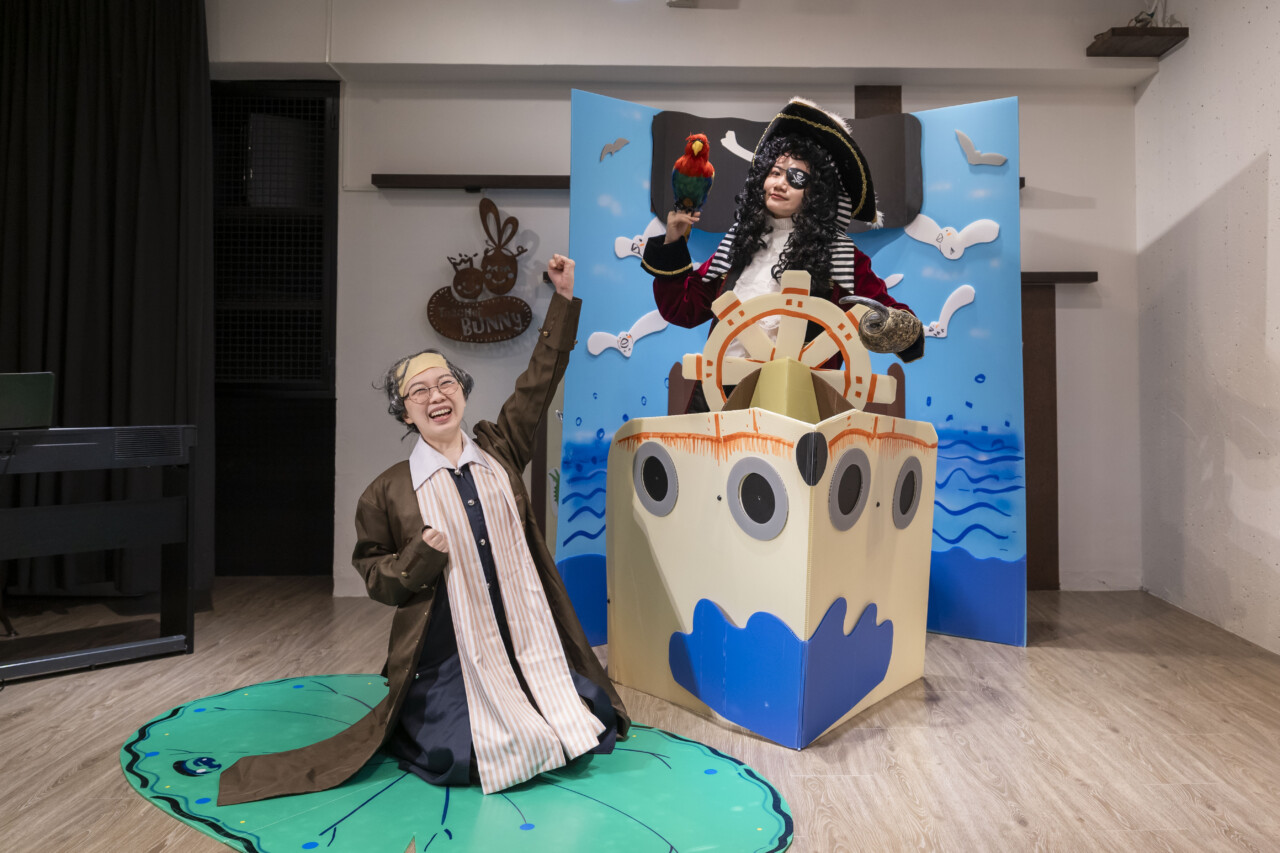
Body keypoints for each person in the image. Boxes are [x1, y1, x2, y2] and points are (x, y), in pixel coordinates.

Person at [219, 254, 629, 804]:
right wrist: (419, 556)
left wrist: (562, 300)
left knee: (589, 720)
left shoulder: (500, 450)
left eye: (445, 384)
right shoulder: (387, 491)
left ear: (462, 393)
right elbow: (379, 581)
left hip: (524, 636)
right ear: (405, 414)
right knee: (463, 754)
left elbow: (538, 383)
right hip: (447, 655)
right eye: (420, 392)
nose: (436, 396)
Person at [642, 98, 924, 411]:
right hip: (720, 402)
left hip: (801, 407)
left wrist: (891, 328)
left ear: (818, 192)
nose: (779, 184)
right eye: (775, 172)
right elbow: (683, 309)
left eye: (796, 178)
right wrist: (673, 241)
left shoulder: (841, 257)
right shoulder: (738, 245)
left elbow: (893, 319)